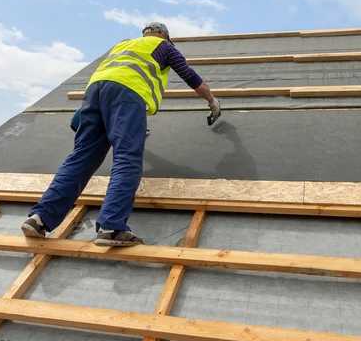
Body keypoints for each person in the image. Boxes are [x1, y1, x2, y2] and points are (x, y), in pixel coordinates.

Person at [22, 22, 221, 246]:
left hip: (94, 94)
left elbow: (109, 79)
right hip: (127, 95)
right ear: (164, 35)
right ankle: (111, 227)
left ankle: (39, 219)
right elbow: (192, 79)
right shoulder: (164, 47)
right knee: (127, 158)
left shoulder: (123, 45)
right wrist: (213, 101)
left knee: (81, 158)